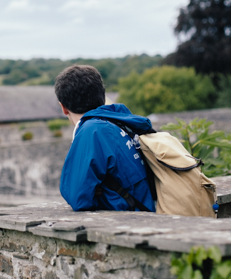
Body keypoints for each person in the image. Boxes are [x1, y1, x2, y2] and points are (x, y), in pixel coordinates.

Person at [54, 65, 155, 212]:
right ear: (102, 97)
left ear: (63, 108)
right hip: (146, 211)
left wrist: (98, 193)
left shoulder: (92, 130)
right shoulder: (119, 122)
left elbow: (76, 196)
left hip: (132, 220)